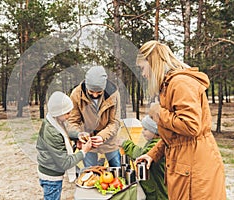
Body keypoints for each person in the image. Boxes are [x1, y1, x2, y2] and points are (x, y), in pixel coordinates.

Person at [136, 40, 226, 199]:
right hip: (186, 166)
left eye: (143, 68)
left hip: (195, 169)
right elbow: (174, 135)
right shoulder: (169, 85)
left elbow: (191, 126)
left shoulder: (180, 83)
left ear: (153, 62)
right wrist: (153, 154)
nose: (143, 74)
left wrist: (158, 112)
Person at [36, 91, 92, 200]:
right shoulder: (51, 132)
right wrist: (84, 151)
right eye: (67, 113)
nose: (69, 116)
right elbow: (65, 163)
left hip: (51, 172)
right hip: (51, 177)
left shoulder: (53, 121)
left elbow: (63, 133)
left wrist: (78, 135)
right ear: (58, 113)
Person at [68, 66, 121, 167]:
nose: (95, 95)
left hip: (109, 139)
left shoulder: (114, 94)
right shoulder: (76, 94)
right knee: (90, 170)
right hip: (88, 140)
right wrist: (79, 135)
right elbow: (72, 121)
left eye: (99, 92)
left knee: (116, 168)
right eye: (91, 91)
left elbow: (115, 122)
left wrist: (102, 136)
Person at [122, 115, 167, 200]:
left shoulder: (156, 145)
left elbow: (140, 154)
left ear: (155, 131)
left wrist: (126, 144)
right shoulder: (151, 142)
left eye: (145, 129)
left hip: (157, 192)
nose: (142, 132)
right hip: (152, 188)